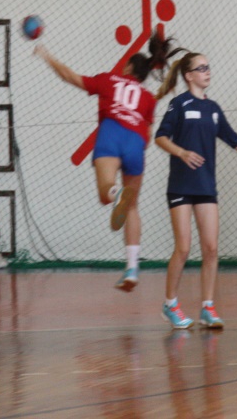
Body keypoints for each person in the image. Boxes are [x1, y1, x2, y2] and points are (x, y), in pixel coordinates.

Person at [34, 34, 183, 291]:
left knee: (105, 193)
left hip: (111, 134)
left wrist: (47, 57)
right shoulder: (147, 98)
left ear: (128, 67)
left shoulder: (108, 80)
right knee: (133, 207)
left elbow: (70, 77)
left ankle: (115, 192)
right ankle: (132, 269)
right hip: (135, 141)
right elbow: (148, 136)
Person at [155, 52, 237, 329]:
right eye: (201, 68)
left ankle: (208, 307)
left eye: (208, 67)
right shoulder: (179, 104)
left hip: (205, 186)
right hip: (180, 186)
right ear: (189, 75)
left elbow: (234, 139)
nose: (207, 71)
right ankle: (170, 304)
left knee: (211, 249)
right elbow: (161, 137)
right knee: (183, 248)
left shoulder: (213, 109)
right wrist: (181, 152)